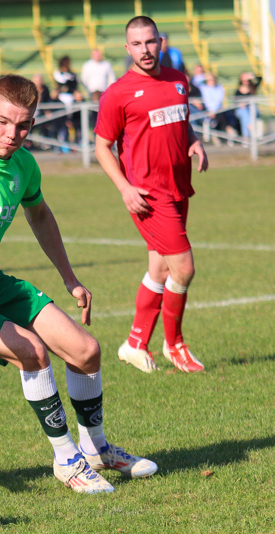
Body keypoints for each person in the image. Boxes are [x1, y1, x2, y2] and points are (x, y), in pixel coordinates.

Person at [0, 74, 157, 495]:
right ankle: (66, 460)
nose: (11, 134)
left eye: (23, 126)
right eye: (3, 122)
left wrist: (69, 277)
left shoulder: (24, 165)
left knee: (86, 350)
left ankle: (96, 449)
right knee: (32, 352)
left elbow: (39, 215)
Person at [94, 16, 209, 374]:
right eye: (137, 44)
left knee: (159, 268)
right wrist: (125, 188)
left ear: (160, 42)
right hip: (148, 195)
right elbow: (101, 147)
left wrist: (194, 142)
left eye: (150, 42)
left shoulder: (178, 80)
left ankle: (134, 344)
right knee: (184, 268)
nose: (145, 50)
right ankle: (174, 345)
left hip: (179, 186)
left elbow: (180, 121)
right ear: (127, 49)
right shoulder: (118, 93)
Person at [232, 72, 262, 140]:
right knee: (244, 112)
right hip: (242, 111)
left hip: (252, 110)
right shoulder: (238, 91)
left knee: (249, 111)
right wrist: (241, 104)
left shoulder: (252, 87)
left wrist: (252, 76)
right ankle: (251, 127)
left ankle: (246, 137)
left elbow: (260, 78)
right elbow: (235, 103)